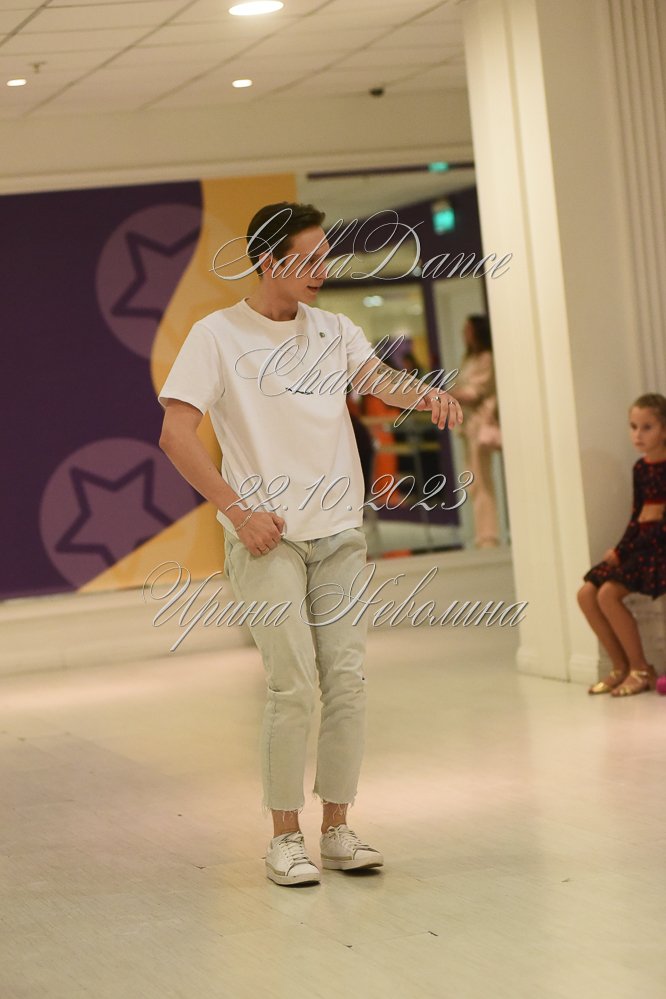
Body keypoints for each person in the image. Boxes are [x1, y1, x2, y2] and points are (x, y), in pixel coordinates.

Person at [157, 202, 463, 886]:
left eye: (328, 255)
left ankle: (338, 828)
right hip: (267, 542)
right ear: (270, 261)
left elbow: (378, 381)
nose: (325, 269)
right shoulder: (216, 336)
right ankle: (284, 837)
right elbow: (176, 434)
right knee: (292, 684)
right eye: (312, 257)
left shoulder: (335, 329)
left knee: (347, 680)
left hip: (339, 535)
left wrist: (428, 395)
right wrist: (239, 512)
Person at [578, 393, 666, 697]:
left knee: (608, 594)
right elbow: (637, 516)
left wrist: (655, 516)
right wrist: (620, 549)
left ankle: (641, 669)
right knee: (586, 594)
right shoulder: (640, 469)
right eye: (633, 427)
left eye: (647, 427)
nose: (638, 435)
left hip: (660, 549)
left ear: (664, 430)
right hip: (641, 545)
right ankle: (621, 666)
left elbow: (656, 518)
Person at [448, 315, 501, 547]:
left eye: (468, 329)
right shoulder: (471, 359)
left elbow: (475, 392)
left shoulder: (486, 359)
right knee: (474, 481)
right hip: (469, 426)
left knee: (481, 479)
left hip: (480, 423)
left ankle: (488, 535)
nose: (464, 334)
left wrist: (450, 394)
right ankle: (483, 534)